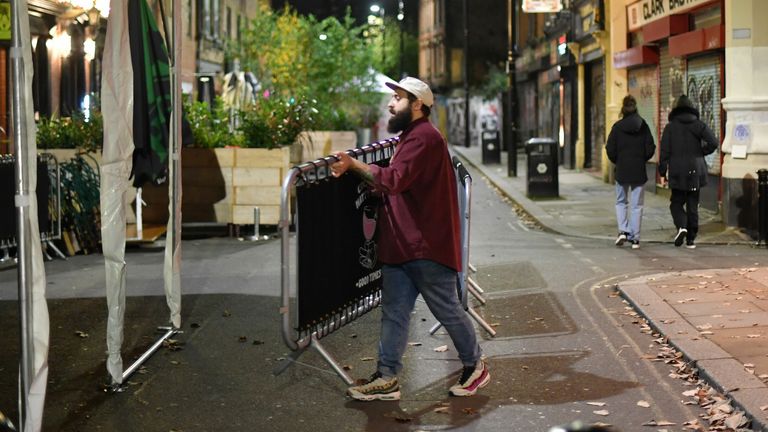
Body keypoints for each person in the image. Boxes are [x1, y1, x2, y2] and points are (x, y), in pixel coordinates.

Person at [330, 77, 489, 401]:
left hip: (425, 245)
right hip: (402, 244)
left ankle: (475, 366)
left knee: (447, 309)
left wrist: (353, 164)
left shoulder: (424, 138)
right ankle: (387, 377)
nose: (391, 103)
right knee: (395, 313)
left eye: (399, 98)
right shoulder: (411, 137)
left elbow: (395, 179)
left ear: (418, 105)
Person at [658, 95, 719, 249]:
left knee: (676, 203)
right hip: (695, 171)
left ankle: (682, 225)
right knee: (693, 203)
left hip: (678, 171)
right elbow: (713, 142)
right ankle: (691, 239)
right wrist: (701, 152)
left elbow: (664, 151)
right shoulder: (698, 125)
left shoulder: (670, 127)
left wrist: (662, 170)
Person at [605, 95, 656, 249]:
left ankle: (623, 231)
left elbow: (610, 149)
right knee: (637, 205)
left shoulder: (617, 127)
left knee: (621, 201)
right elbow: (650, 147)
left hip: (622, 170)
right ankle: (635, 238)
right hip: (638, 170)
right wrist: (642, 159)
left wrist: (618, 161)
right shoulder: (644, 126)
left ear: (623, 108)